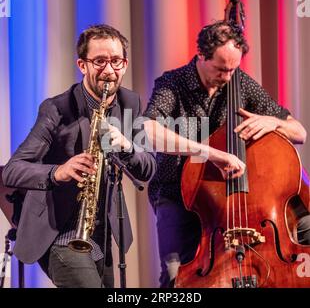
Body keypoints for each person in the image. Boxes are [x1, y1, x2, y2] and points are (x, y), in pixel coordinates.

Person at [143, 20, 310, 287]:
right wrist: (210, 153)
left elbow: (299, 132)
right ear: (201, 55)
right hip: (180, 194)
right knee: (175, 276)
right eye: (221, 69)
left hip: (234, 200)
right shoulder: (172, 84)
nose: (228, 77)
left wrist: (275, 122)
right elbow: (147, 131)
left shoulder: (239, 82)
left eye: (233, 69)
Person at [2, 24, 156, 288]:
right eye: (99, 61)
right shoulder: (56, 109)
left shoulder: (130, 103)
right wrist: (57, 172)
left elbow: (148, 168)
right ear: (82, 65)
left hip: (101, 233)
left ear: (125, 64)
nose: (109, 71)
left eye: (116, 61)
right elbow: (12, 170)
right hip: (58, 231)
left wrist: (127, 147)